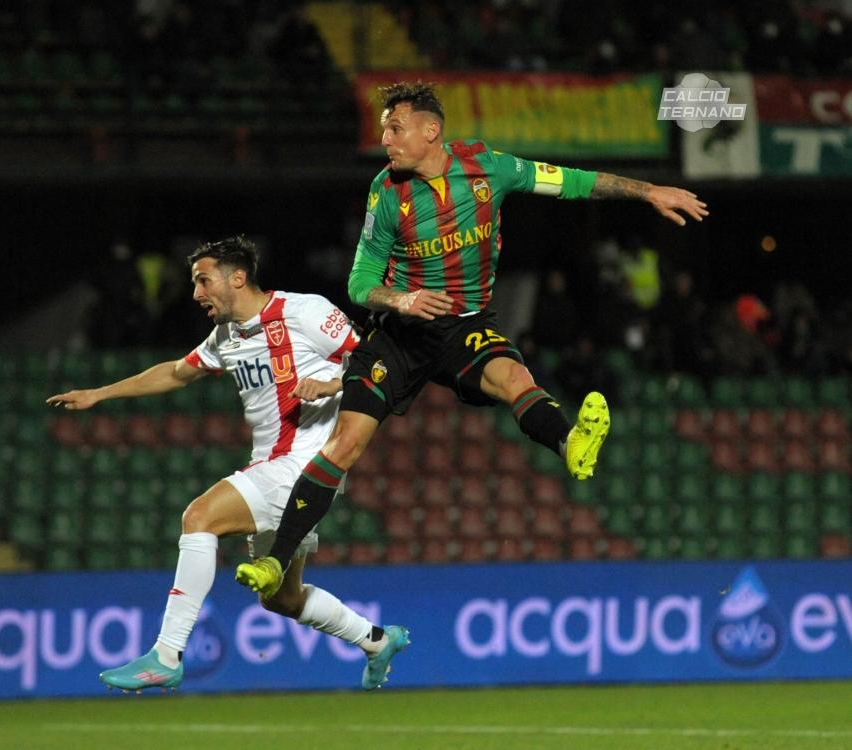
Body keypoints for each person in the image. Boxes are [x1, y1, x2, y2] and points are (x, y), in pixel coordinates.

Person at [236, 81, 710, 597]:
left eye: (395, 128)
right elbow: (359, 281)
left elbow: (573, 181)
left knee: (514, 377)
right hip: (399, 334)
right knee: (344, 444)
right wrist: (401, 299)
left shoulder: (489, 168)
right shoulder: (385, 192)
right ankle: (277, 562)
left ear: (430, 130)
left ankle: (569, 442)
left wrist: (648, 192)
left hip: (464, 322)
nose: (385, 138)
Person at [46, 236, 409, 692]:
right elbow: (177, 372)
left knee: (199, 517)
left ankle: (166, 654)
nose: (196, 293)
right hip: (275, 466)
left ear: (237, 277)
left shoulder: (306, 311)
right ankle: (376, 640)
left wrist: (332, 382)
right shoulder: (226, 337)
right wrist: (99, 393)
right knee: (281, 599)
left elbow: (376, 364)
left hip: (304, 466)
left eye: (203, 280)